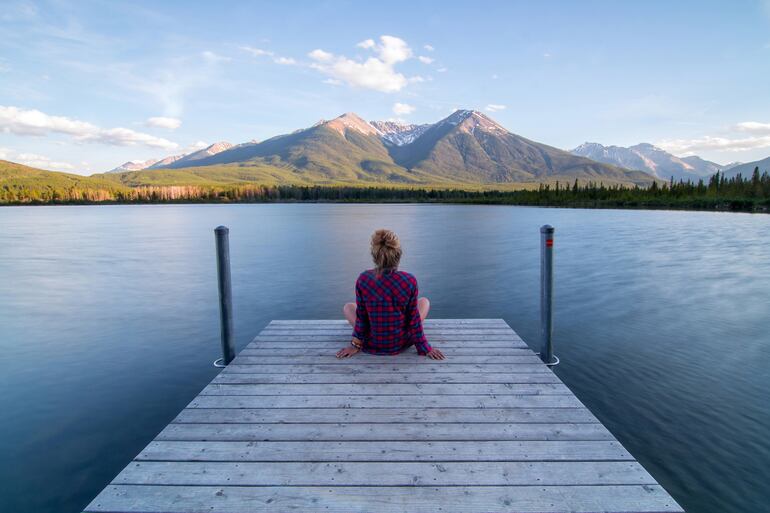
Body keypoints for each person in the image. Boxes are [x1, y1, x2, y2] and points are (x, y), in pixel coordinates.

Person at [337, 229, 446, 360]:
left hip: (372, 342)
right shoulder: (409, 280)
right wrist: (424, 347)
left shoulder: (363, 279)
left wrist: (355, 345)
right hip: (400, 343)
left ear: (375, 256)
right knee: (424, 302)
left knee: (348, 307)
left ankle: (367, 337)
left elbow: (362, 318)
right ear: (398, 254)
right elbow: (414, 319)